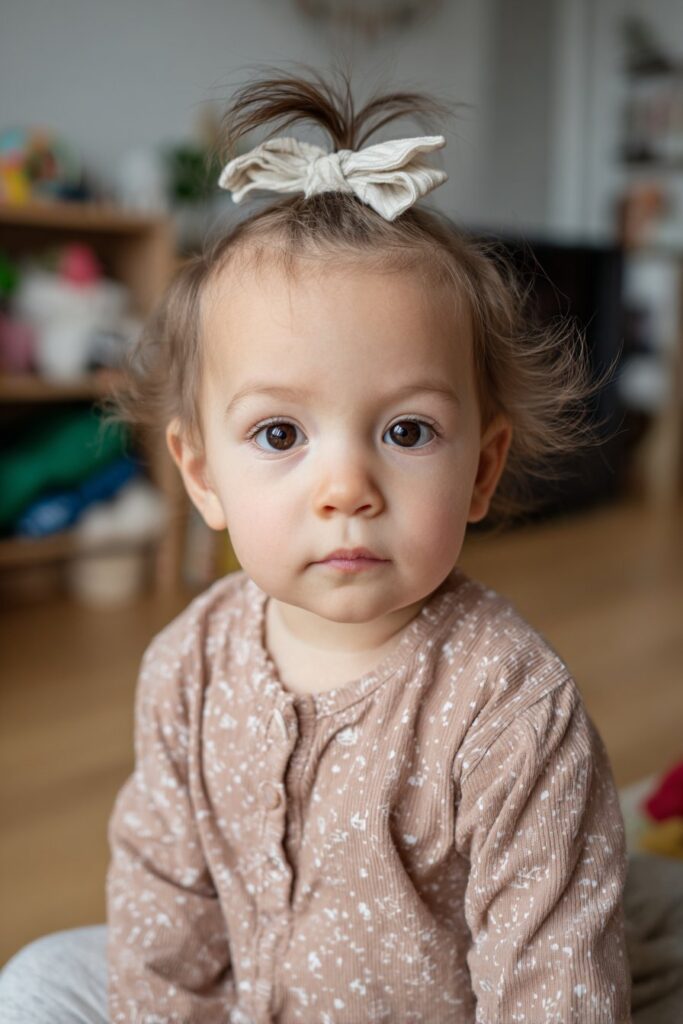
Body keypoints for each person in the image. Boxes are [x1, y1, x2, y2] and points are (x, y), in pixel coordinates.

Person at [0, 67, 633, 1023]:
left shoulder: (510, 712)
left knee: (614, 926)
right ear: (202, 473)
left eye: (407, 432)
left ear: (482, 469)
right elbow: (162, 910)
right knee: (39, 978)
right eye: (281, 435)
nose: (345, 490)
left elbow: (553, 990)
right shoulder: (188, 667)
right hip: (248, 994)